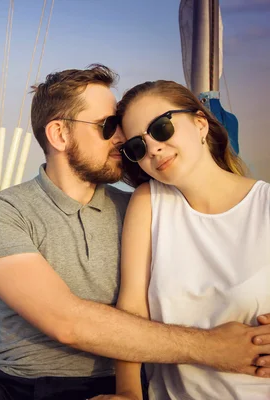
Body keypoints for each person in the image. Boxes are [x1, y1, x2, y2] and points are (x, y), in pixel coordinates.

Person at [0, 65, 270, 400]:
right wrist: (214, 347)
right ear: (59, 134)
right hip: (18, 385)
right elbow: (67, 321)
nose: (126, 139)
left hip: (121, 383)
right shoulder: (1, 212)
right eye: (110, 125)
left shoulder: (142, 207)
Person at [100, 80, 270, 400]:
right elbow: (132, 310)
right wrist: (128, 393)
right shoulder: (148, 201)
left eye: (161, 128)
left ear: (200, 124)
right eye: (137, 146)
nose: (152, 149)